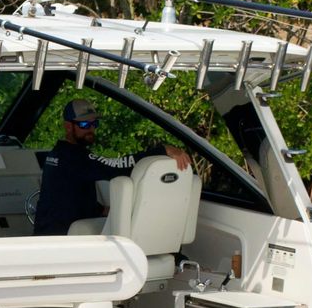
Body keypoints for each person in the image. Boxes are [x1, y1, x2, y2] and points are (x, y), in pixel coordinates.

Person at [32, 98, 192, 235]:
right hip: (60, 240)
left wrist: (103, 210)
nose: (91, 129)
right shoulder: (73, 157)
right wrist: (162, 150)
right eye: (84, 124)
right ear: (68, 126)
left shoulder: (58, 154)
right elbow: (116, 167)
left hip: (48, 233)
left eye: (94, 123)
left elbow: (69, 197)